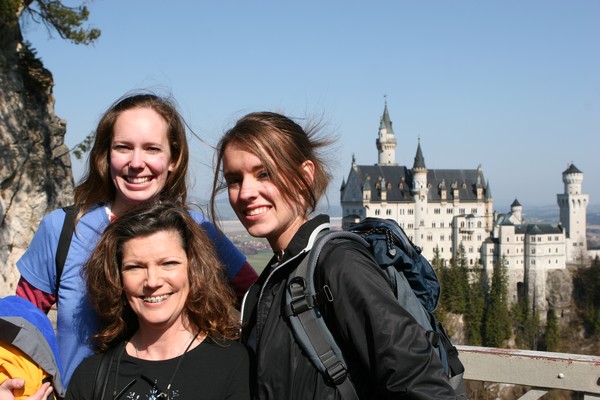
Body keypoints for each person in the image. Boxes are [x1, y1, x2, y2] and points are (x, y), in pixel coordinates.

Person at [16, 92, 258, 387]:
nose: (136, 162)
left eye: (152, 149)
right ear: (106, 155)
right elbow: (21, 322)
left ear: (173, 158)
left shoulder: (197, 232)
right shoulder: (63, 230)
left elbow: (258, 302)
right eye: (123, 147)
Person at [210, 111, 458, 399]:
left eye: (264, 173)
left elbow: (420, 383)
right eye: (234, 179)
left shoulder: (339, 263)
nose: (246, 192)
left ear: (304, 176)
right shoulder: (274, 277)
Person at [66, 200, 250, 400]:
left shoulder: (231, 364)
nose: (152, 282)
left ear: (193, 269)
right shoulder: (91, 377)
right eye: (135, 267)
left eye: (168, 264)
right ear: (117, 277)